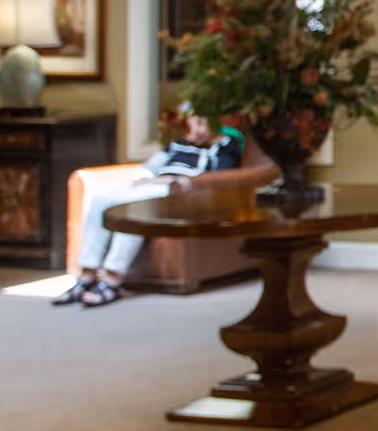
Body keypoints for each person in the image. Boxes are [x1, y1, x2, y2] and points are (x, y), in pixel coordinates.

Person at [56, 107, 244, 308]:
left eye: (204, 122)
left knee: (136, 207)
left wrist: (179, 181)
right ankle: (87, 274)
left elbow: (221, 176)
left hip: (179, 191)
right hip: (153, 184)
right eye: (195, 121)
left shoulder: (226, 145)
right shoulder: (178, 144)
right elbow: (148, 168)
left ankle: (112, 278)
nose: (199, 127)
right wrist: (145, 178)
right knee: (100, 196)